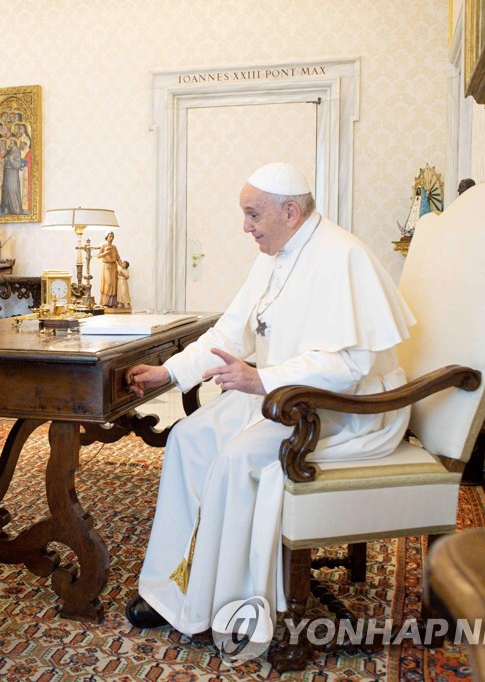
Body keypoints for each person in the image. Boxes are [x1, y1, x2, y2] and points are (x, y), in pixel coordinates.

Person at [124, 162, 415, 641]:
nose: (245, 227)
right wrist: (169, 372)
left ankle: (231, 608)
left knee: (238, 459)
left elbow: (349, 367)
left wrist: (263, 380)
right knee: (188, 437)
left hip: (347, 408)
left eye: (253, 215)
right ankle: (175, 591)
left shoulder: (343, 256)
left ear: (291, 211)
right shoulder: (275, 254)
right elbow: (229, 334)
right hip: (286, 396)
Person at [95, 231, 121, 307]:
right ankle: (105, 302)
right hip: (106, 266)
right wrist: (106, 253)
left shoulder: (114, 246)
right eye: (110, 236)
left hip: (114, 266)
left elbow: (117, 257)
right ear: (107, 237)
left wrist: (121, 264)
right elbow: (98, 256)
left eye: (113, 236)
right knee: (108, 283)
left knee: (114, 284)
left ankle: (112, 303)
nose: (112, 238)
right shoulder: (103, 245)